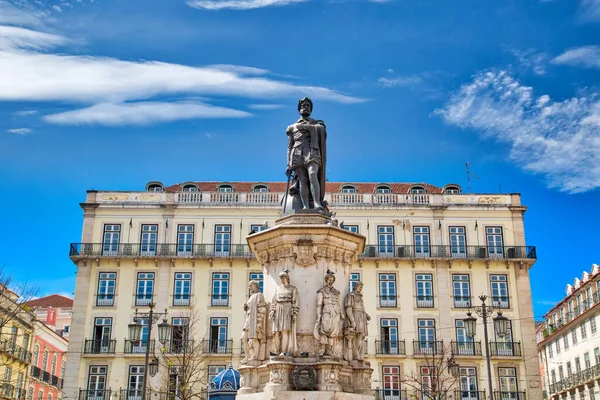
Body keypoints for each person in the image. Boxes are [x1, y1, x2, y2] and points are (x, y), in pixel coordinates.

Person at [284, 97, 328, 213]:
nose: (306, 107)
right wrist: (288, 164)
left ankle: (317, 203)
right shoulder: (291, 127)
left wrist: (306, 127)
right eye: (303, 105)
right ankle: (305, 206)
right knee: (303, 181)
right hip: (297, 152)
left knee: (313, 174)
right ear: (299, 109)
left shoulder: (317, 123)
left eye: (308, 105)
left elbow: (322, 130)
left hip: (312, 151)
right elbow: (289, 146)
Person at [314, 272, 344, 357]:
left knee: (333, 331)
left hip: (336, 312)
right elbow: (319, 304)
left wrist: (341, 313)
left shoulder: (336, 292)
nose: (331, 281)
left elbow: (338, 303)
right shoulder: (321, 291)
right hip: (326, 311)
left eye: (332, 280)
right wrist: (318, 314)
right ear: (326, 280)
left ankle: (329, 350)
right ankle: (322, 349)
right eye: (329, 280)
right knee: (324, 330)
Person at [269, 271, 299, 356]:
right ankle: (276, 350)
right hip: (278, 309)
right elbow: (274, 301)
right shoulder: (278, 289)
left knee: (284, 331)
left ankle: (284, 351)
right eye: (280, 278)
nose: (282, 279)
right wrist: (272, 311)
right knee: (275, 332)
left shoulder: (292, 288)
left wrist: (294, 313)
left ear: (287, 278)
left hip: (287, 309)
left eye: (283, 277)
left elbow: (295, 302)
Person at [344, 281, 370, 361]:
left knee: (362, 336)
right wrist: (352, 320)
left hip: (362, 317)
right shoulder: (350, 295)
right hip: (356, 316)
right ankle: (356, 354)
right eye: (360, 287)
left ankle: (359, 354)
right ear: (356, 286)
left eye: (361, 287)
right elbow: (348, 308)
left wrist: (366, 314)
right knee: (355, 336)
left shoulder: (360, 297)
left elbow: (362, 308)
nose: (361, 289)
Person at [241, 280, 266, 362]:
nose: (249, 288)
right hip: (249, 319)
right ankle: (247, 356)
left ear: (256, 286)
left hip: (254, 320)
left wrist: (259, 322)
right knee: (244, 338)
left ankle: (255, 357)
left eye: (251, 286)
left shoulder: (259, 295)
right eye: (249, 286)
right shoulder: (251, 297)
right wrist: (246, 308)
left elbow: (262, 309)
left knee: (254, 338)